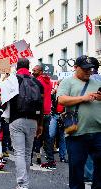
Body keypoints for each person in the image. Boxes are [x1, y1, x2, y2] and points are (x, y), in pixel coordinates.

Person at [57, 55, 101, 189]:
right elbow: (61, 100)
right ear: (76, 68)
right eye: (85, 69)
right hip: (76, 133)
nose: (89, 71)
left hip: (98, 132)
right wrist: (83, 98)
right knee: (76, 169)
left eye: (90, 69)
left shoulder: (97, 82)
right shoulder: (67, 81)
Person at [9, 58, 43, 189]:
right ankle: (24, 181)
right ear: (28, 67)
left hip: (16, 119)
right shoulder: (37, 82)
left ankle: (23, 184)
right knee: (28, 153)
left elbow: (5, 100)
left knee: (19, 153)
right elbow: (41, 105)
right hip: (33, 121)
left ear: (17, 67)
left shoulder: (13, 80)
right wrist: (40, 124)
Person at [32, 65, 53, 168]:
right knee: (46, 137)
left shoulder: (37, 81)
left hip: (39, 112)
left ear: (40, 71)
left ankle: (33, 158)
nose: (33, 72)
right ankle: (50, 160)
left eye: (35, 70)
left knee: (34, 135)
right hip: (47, 112)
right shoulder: (48, 81)